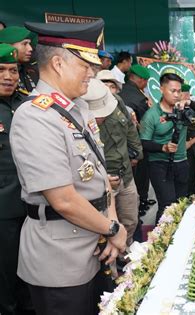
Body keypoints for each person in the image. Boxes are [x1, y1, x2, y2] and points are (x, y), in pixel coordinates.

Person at [9, 19, 127, 314]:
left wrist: (112, 224)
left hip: (94, 244)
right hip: (60, 259)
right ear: (59, 64)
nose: (92, 72)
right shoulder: (35, 117)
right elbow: (62, 199)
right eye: (85, 65)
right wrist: (113, 228)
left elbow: (100, 176)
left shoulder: (79, 108)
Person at [140, 73, 195, 223]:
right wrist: (162, 147)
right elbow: (143, 142)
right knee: (167, 206)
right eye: (173, 91)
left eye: (179, 91)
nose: (177, 94)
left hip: (181, 162)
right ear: (161, 89)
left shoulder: (182, 109)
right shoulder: (151, 115)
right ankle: (160, 241)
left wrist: (189, 102)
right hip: (159, 165)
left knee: (181, 203)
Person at [82, 78, 143, 246]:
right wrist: (100, 177)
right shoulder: (74, 118)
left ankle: (125, 254)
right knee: (105, 228)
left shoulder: (117, 101)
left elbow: (130, 128)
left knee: (131, 219)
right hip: (102, 181)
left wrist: (137, 153)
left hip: (126, 174)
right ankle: (112, 267)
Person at [0, 44, 32, 315]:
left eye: (13, 70)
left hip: (33, 202)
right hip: (3, 209)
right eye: (0, 70)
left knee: (32, 267)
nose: (8, 76)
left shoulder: (25, 104)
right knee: (7, 271)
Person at [119, 64, 154, 213]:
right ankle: (141, 202)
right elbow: (146, 123)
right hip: (136, 142)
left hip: (119, 143)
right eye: (146, 81)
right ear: (140, 80)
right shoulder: (140, 98)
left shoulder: (120, 91)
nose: (146, 84)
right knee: (141, 173)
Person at [0, 26, 37, 94]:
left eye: (14, 71)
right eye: (25, 44)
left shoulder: (31, 71)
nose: (30, 49)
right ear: (7, 45)